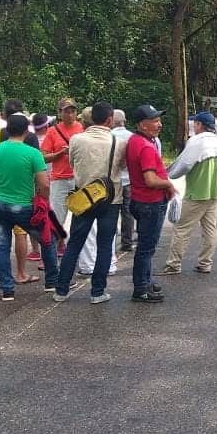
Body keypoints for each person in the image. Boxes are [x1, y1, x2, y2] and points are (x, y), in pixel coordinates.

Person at [54, 102, 127, 305]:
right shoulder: (118, 142)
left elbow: (71, 162)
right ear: (110, 120)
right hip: (111, 200)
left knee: (75, 243)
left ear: (90, 118)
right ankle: (97, 291)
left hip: (84, 198)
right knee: (105, 245)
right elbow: (122, 167)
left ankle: (61, 290)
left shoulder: (76, 139)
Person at [0, 114, 58, 302]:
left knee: (2, 246)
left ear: (8, 129)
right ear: (27, 131)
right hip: (24, 205)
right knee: (47, 240)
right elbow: (44, 184)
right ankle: (52, 281)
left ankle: (7, 290)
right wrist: (43, 201)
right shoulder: (32, 153)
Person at [162, 111, 217, 275]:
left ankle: (173, 265)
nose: (193, 126)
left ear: (199, 124)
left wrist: (169, 173)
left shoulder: (196, 142)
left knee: (182, 229)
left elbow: (184, 164)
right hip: (213, 192)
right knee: (209, 229)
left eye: (195, 123)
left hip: (196, 193)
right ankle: (205, 263)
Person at [0, 101, 38, 285]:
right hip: (22, 193)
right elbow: (37, 166)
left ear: (5, 116)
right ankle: (21, 272)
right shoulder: (28, 136)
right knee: (20, 234)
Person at [127, 104, 176, 303]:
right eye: (155, 121)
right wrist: (168, 184)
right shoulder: (146, 147)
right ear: (143, 125)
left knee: (146, 245)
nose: (159, 124)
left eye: (159, 120)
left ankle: (146, 281)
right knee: (147, 247)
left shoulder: (135, 140)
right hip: (150, 201)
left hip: (139, 199)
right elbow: (150, 180)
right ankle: (140, 289)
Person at [39, 98, 83, 257]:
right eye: (66, 111)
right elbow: (43, 157)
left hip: (79, 178)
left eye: (73, 111)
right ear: (60, 113)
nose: (70, 114)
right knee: (56, 218)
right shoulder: (52, 131)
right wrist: (60, 153)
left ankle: (75, 248)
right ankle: (54, 249)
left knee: (81, 216)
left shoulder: (83, 128)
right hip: (59, 179)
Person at [112, 109, 135, 253]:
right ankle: (127, 242)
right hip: (129, 179)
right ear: (124, 121)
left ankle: (111, 241)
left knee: (112, 211)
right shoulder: (132, 137)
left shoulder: (109, 136)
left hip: (113, 180)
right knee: (128, 212)